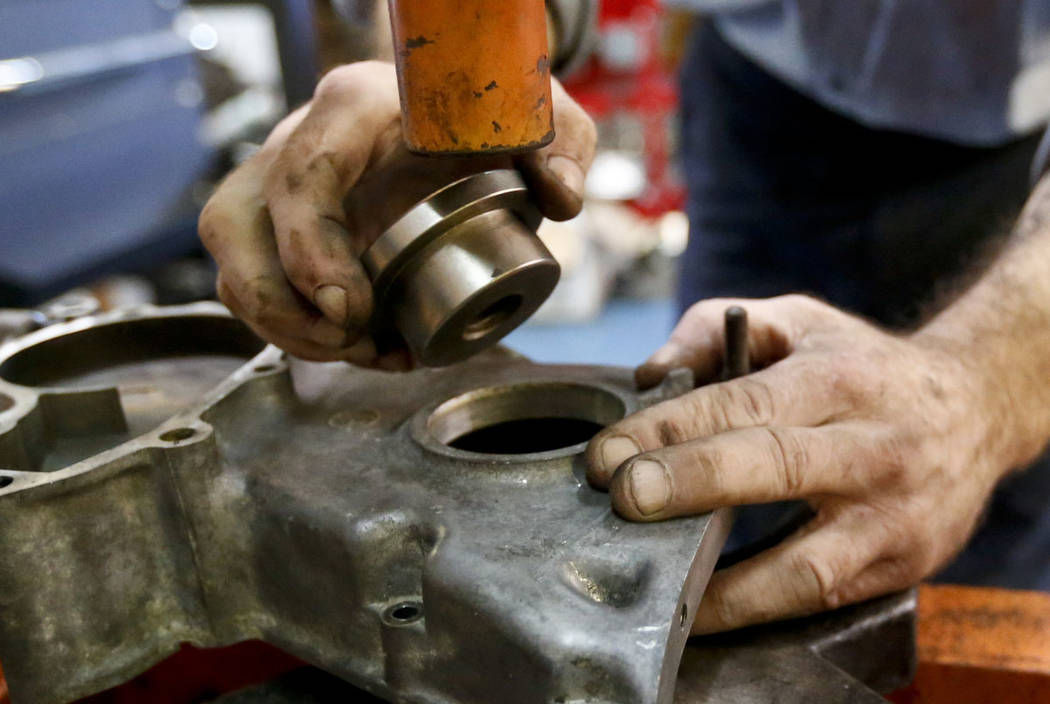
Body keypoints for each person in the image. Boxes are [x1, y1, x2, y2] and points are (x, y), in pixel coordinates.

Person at [198, 5, 1050, 635]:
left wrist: (989, 384)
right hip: (761, 92)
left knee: (940, 523)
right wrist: (441, 76)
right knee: (721, 449)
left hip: (1012, 154)